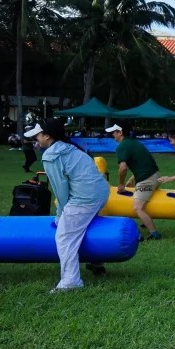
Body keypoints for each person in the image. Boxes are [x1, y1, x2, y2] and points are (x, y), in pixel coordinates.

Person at [25, 118, 108, 292]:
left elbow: (61, 191)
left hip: (85, 198)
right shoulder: (70, 147)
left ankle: (71, 282)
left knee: (64, 237)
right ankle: (96, 261)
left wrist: (60, 215)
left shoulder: (51, 155)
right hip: (100, 193)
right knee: (82, 227)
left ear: (47, 136)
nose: (35, 139)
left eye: (37, 135)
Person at [108, 124, 162, 241]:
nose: (112, 134)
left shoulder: (122, 146)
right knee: (143, 203)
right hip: (155, 175)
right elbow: (141, 162)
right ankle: (145, 223)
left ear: (120, 133)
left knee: (137, 207)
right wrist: (132, 179)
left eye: (114, 132)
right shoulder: (135, 142)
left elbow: (123, 168)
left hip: (147, 180)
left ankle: (154, 233)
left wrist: (121, 184)